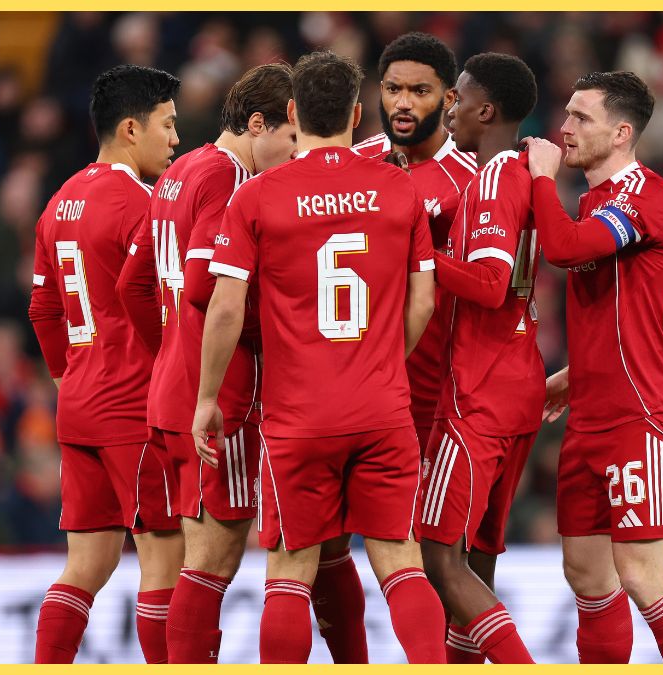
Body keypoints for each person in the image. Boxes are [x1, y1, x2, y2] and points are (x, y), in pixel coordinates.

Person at [192, 50, 445, 664]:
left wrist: (205, 397)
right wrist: (385, 360)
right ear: (359, 114)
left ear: (293, 112)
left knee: (289, 571)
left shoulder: (257, 197)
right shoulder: (398, 188)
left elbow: (225, 308)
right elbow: (425, 301)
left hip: (298, 415)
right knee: (400, 561)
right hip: (383, 407)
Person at [116, 63, 297, 664]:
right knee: (212, 563)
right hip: (218, 397)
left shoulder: (181, 169)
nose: (297, 153)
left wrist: (169, 350)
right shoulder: (228, 177)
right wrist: (274, 332)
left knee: (195, 560)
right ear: (256, 124)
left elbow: (132, 284)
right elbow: (203, 286)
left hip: (172, 390)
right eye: (292, 137)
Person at [524, 71, 663, 663]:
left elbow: (565, 250)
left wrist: (541, 181)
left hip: (641, 417)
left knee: (641, 575)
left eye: (581, 118)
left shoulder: (646, 197)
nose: (565, 128)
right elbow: (629, 314)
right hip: (591, 416)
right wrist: (577, 376)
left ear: (622, 133)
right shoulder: (596, 201)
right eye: (567, 114)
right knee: (586, 575)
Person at [317, 31, 477, 664]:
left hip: (438, 400)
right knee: (327, 549)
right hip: (351, 391)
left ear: (451, 99)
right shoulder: (357, 164)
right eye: (392, 89)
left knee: (436, 559)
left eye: (420, 90)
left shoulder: (475, 179)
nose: (403, 103)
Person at [27, 64, 183, 664]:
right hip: (134, 407)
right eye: (167, 126)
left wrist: (70, 378)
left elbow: (43, 307)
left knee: (86, 563)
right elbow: (154, 300)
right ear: (129, 129)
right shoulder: (142, 204)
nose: (175, 139)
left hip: (80, 406)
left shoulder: (59, 200)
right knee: (164, 558)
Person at [417, 52, 542, 664]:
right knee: (479, 558)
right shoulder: (524, 177)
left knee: (437, 555)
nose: (451, 106)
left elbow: (491, 282)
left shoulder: (491, 178)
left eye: (458, 97)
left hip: (478, 392)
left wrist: (416, 254)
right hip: (518, 384)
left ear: (485, 110)